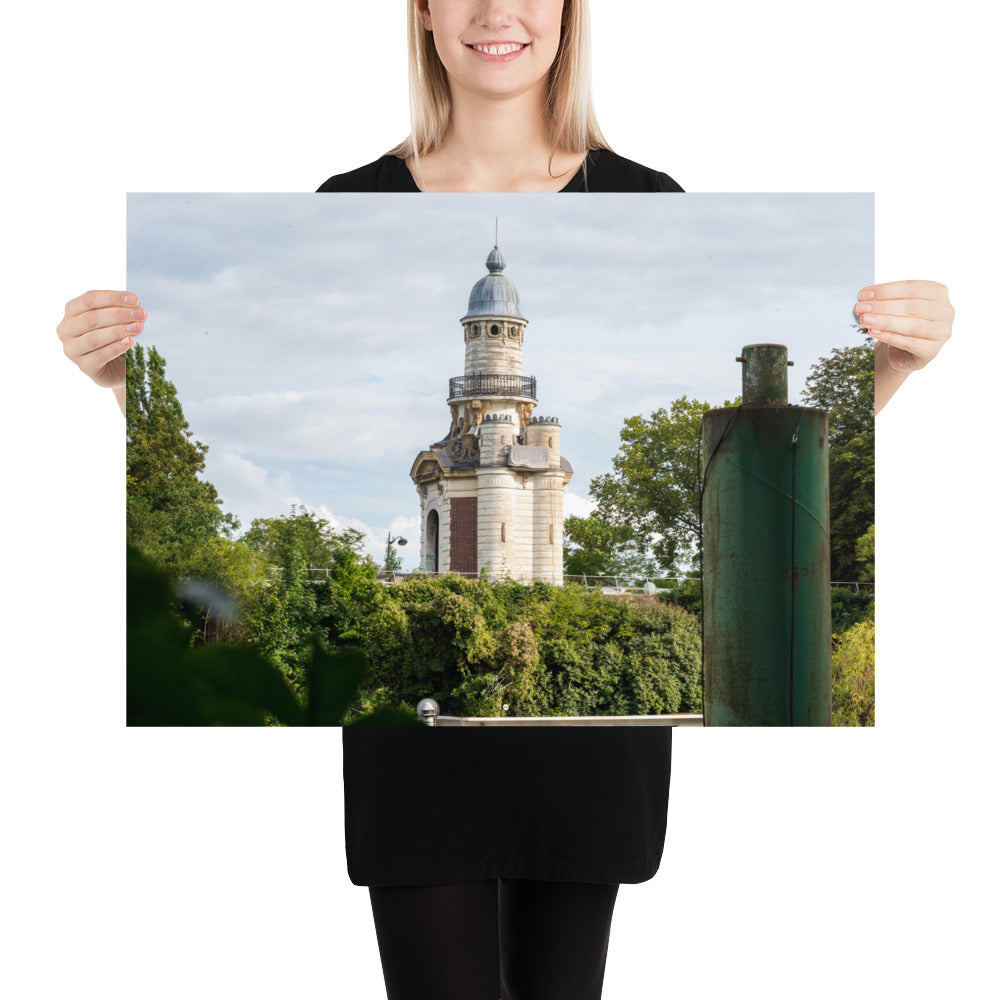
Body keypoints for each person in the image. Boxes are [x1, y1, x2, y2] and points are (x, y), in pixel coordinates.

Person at [55, 3, 953, 998]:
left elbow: (772, 473)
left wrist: (895, 368)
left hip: (582, 762)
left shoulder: (645, 196)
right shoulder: (347, 197)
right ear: (424, 14)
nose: (495, 9)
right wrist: (121, 385)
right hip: (417, 760)